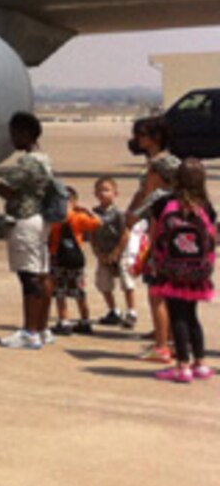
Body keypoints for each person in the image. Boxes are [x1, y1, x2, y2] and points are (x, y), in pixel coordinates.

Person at [0, 111, 58, 350]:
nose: (12, 139)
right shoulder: (45, 159)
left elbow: (3, 186)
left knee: (29, 277)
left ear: (25, 134)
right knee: (41, 274)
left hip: (25, 219)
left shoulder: (29, 162)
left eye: (14, 134)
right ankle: (41, 329)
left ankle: (30, 331)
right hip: (40, 219)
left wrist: (6, 191)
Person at [147, 157, 216, 383]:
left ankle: (182, 365)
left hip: (171, 269)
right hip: (197, 271)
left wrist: (153, 260)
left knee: (177, 316)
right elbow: (213, 238)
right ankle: (201, 363)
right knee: (192, 315)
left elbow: (155, 234)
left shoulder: (164, 204)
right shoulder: (206, 207)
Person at [126, 115, 183, 362]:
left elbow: (153, 193)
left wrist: (133, 215)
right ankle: (165, 334)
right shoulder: (159, 162)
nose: (138, 139)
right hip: (161, 225)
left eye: (142, 135)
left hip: (162, 228)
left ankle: (163, 344)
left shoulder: (163, 162)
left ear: (155, 137)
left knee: (157, 289)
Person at [87, 176, 139, 329]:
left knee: (126, 279)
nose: (103, 193)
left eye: (107, 190)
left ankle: (132, 311)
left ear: (115, 193)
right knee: (103, 281)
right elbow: (92, 234)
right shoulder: (94, 213)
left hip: (120, 250)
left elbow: (125, 234)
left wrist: (117, 252)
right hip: (103, 251)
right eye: (100, 190)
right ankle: (113, 310)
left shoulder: (118, 213)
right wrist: (98, 253)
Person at [48, 193, 98, 335]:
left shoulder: (54, 219)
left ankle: (64, 321)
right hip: (75, 260)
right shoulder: (79, 217)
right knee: (79, 291)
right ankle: (85, 320)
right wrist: (87, 210)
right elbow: (98, 223)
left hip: (57, 258)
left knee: (59, 291)